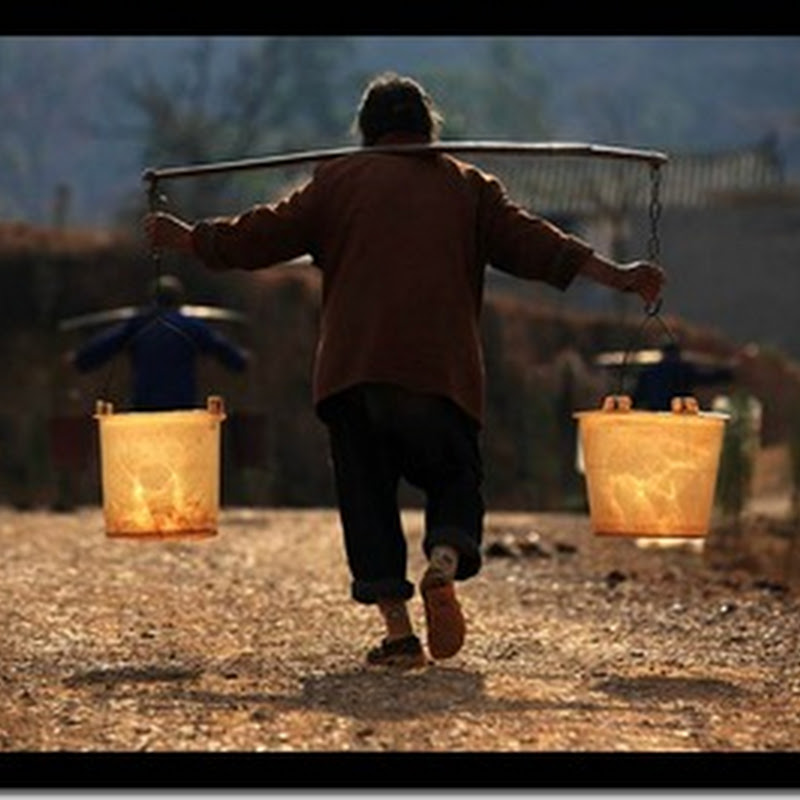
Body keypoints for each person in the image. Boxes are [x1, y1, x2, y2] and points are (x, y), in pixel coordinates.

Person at [144, 72, 665, 669]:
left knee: (367, 499)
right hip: (440, 370)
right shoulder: (468, 188)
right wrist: (620, 275)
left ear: (366, 134)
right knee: (452, 478)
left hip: (353, 371)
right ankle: (442, 563)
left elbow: (264, 233)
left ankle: (399, 636)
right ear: (428, 130)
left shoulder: (337, 181)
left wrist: (190, 241)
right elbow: (539, 244)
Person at [69, 274, 249, 411]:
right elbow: (220, 346)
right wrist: (240, 359)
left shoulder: (138, 325)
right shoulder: (191, 326)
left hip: (145, 404)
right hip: (182, 404)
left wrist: (79, 359)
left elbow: (105, 344)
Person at [632, 341, 733, 411]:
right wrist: (725, 374)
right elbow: (704, 378)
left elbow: (638, 395)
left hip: (657, 414)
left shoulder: (650, 372)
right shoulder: (682, 370)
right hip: (677, 412)